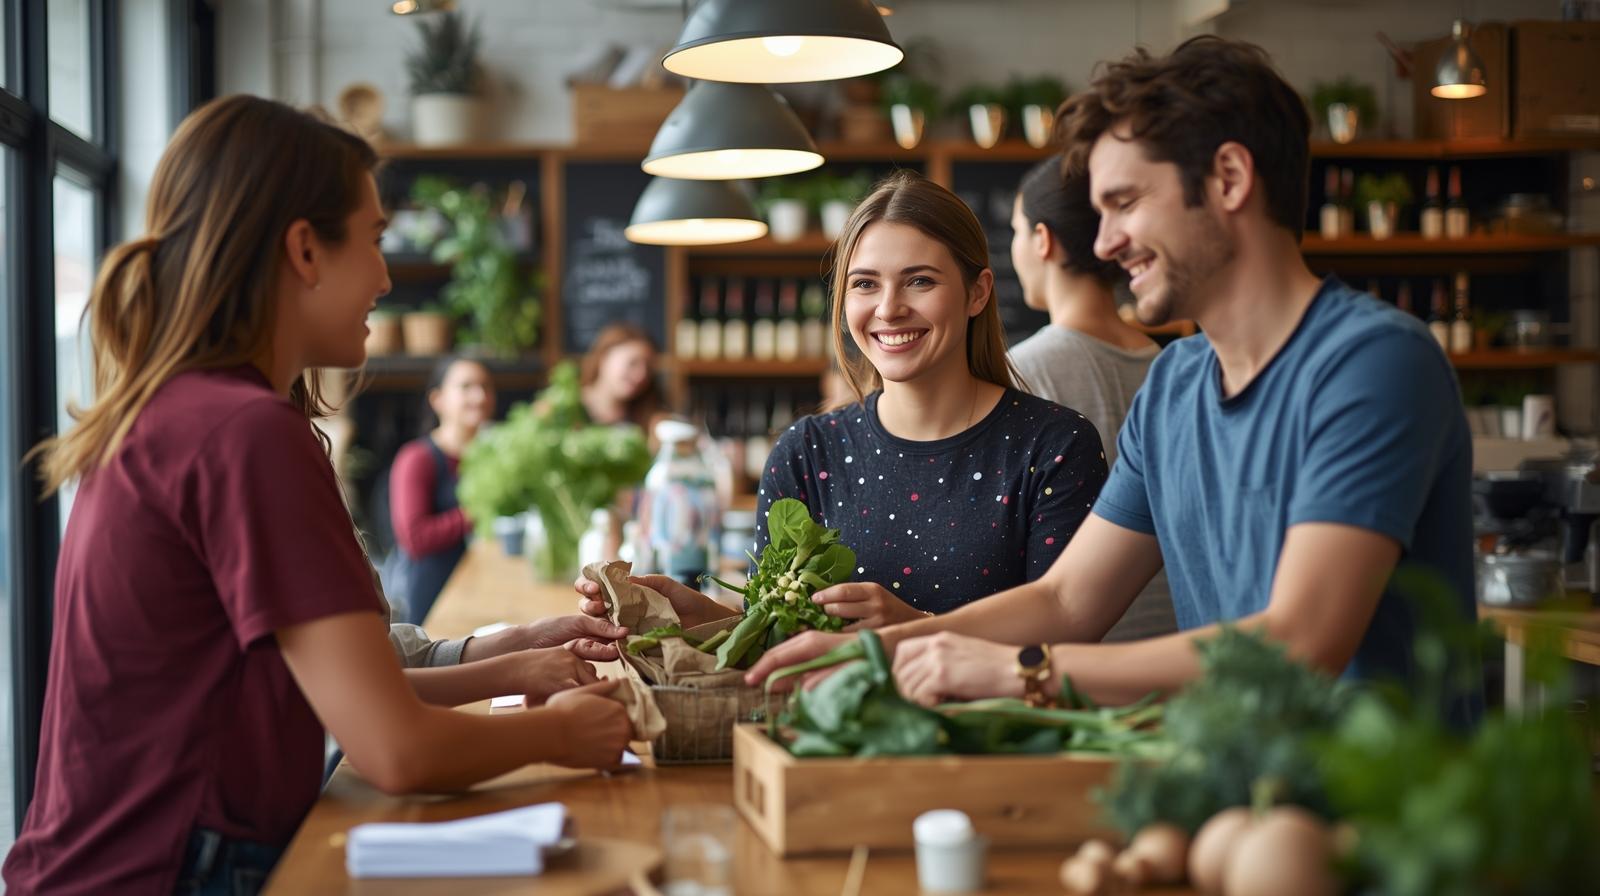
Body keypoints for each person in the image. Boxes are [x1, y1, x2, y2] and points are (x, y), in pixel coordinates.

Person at [745, 37, 1480, 726]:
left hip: (1384, 805)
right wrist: (878, 650)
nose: (1104, 244)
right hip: (1233, 788)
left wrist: (1019, 671)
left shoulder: (1372, 361)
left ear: (1228, 179)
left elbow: (1300, 641)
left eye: (1125, 204)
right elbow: (1067, 600)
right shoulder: (1175, 386)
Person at [3, 95, 632, 896]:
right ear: (305, 250)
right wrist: (562, 735)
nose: (385, 276)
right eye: (373, 239)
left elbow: (341, 697)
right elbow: (396, 752)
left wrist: (518, 668)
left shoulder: (181, 410)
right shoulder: (246, 432)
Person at [577, 171, 1107, 631]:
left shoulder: (1055, 447)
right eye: (865, 284)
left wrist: (914, 628)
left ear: (978, 292)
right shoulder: (806, 452)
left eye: (920, 281)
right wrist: (699, 615)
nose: (889, 309)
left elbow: (1065, 635)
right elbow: (781, 635)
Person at [1007, 155, 1176, 642]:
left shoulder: (1019, 371)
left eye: (1016, 231)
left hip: (1075, 653)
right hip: (1176, 643)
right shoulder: (1167, 365)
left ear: (1042, 239)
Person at [388, 355, 493, 625]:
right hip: (434, 605)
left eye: (485, 386)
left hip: (486, 594)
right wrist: (478, 512)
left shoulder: (494, 455)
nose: (480, 396)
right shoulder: (417, 458)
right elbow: (414, 538)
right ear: (438, 400)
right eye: (466, 387)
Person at [579, 322, 663, 431]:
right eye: (633, 363)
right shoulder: (567, 407)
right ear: (603, 357)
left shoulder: (650, 416)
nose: (642, 375)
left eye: (648, 368)